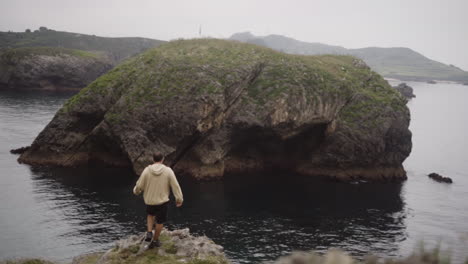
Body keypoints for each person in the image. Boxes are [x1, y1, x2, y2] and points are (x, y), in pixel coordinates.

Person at [133, 152, 183, 248]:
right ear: (162, 159)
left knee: (150, 215)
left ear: (153, 159)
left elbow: (139, 185)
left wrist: (136, 191)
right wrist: (179, 199)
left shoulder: (147, 170)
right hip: (162, 202)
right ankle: (155, 240)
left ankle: (149, 232)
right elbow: (175, 186)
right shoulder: (168, 171)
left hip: (150, 200)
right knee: (160, 222)